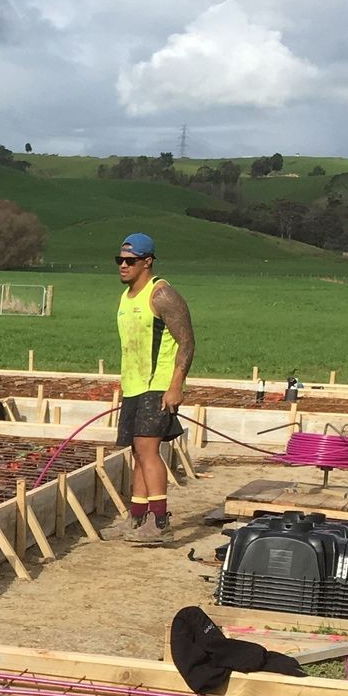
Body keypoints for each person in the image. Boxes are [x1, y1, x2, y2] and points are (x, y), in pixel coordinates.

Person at [111, 231, 194, 547]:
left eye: (130, 261)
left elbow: (187, 342)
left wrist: (175, 386)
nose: (123, 265)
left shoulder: (162, 295)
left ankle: (160, 523)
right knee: (137, 452)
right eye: (120, 260)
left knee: (148, 451)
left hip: (157, 387)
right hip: (133, 387)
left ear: (148, 261)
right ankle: (136, 518)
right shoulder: (126, 296)